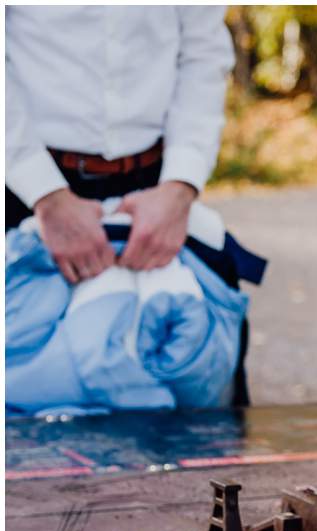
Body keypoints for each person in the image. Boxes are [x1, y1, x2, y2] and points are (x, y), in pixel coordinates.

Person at [4, 6, 254, 405]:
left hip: (156, 190)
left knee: (204, 397)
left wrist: (179, 187)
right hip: (21, 186)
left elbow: (203, 55)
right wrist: (46, 195)